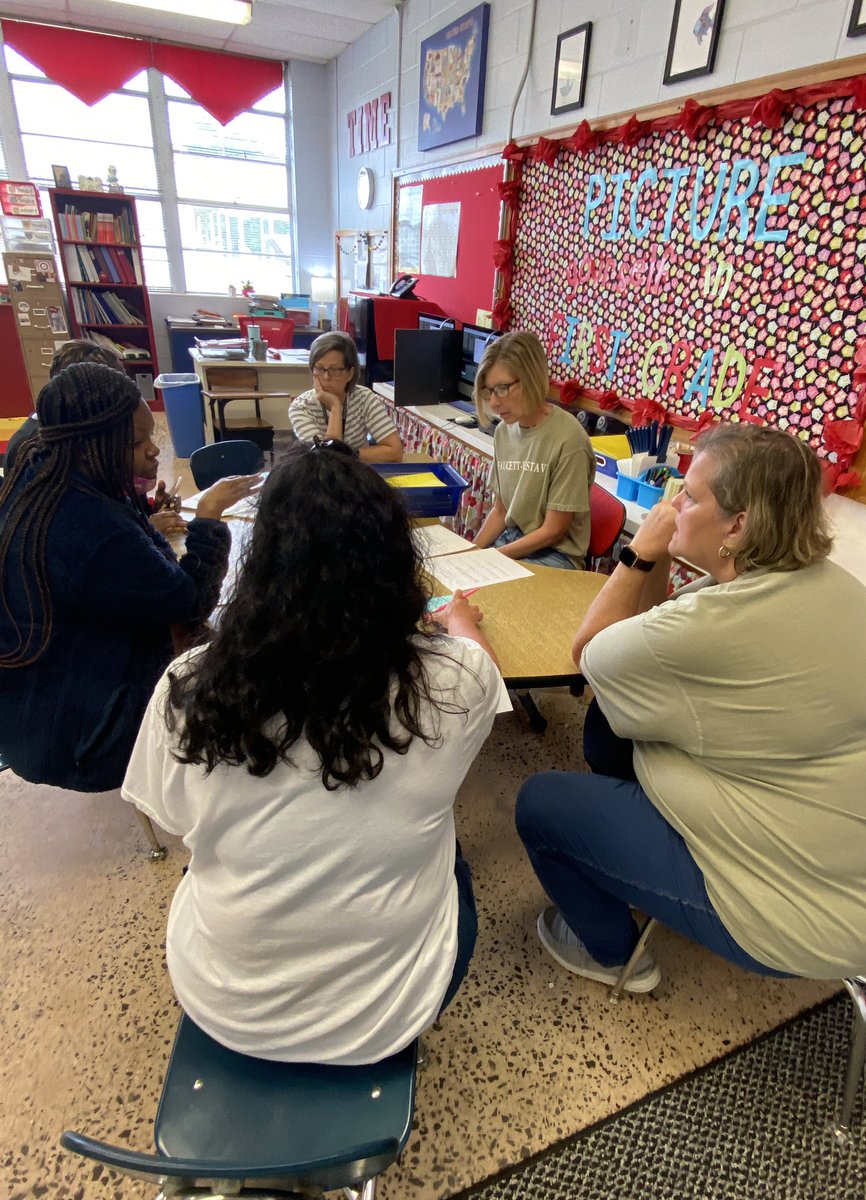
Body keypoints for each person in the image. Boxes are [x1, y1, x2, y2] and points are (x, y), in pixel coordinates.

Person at [122, 441, 504, 1065]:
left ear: (260, 563)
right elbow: (482, 672)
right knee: (448, 845)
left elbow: (178, 822)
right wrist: (461, 623)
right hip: (391, 1014)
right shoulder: (457, 680)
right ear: (394, 561)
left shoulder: (188, 685)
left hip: (223, 1002)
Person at [516, 423, 866, 991]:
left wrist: (638, 552)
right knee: (607, 728)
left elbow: (590, 653)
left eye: (691, 497)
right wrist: (659, 559)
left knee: (540, 804)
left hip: (803, 915)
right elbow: (652, 632)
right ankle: (627, 863)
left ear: (737, 525)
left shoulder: (719, 624)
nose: (673, 506)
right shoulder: (829, 585)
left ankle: (614, 955)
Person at [0, 362, 259, 793]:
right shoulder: (92, 529)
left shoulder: (38, 472)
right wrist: (209, 516)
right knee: (236, 666)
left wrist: (143, 519)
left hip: (26, 713)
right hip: (81, 742)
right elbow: (189, 601)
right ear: (89, 446)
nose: (155, 451)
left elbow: (130, 545)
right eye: (138, 442)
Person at [4, 339, 186, 537]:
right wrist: (144, 530)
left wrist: (148, 510)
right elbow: (75, 534)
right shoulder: (37, 452)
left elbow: (117, 500)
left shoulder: (103, 444)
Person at [473, 331, 594, 569]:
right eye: (489, 390)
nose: (494, 403)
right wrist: (470, 552)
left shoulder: (569, 439)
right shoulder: (503, 431)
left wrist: (490, 558)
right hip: (514, 539)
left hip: (557, 555)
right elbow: (501, 511)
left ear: (530, 379)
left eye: (503, 388)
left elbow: (553, 531)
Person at [288, 330, 403, 462]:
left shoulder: (364, 398)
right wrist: (335, 407)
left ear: (350, 373)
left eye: (334, 370)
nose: (326, 377)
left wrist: (349, 454)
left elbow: (395, 452)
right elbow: (326, 460)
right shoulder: (301, 407)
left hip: (358, 471)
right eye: (319, 368)